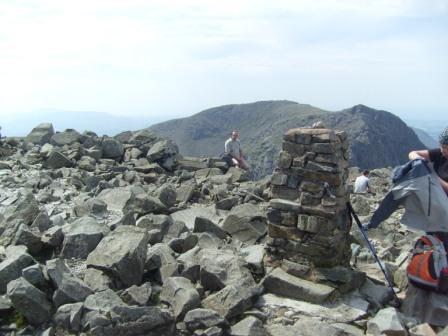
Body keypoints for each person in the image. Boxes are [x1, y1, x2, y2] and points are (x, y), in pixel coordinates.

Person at [408, 126, 448, 194]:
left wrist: (433, 178)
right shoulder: (440, 154)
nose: (442, 150)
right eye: (441, 146)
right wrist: (420, 160)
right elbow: (412, 153)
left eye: (445, 147)